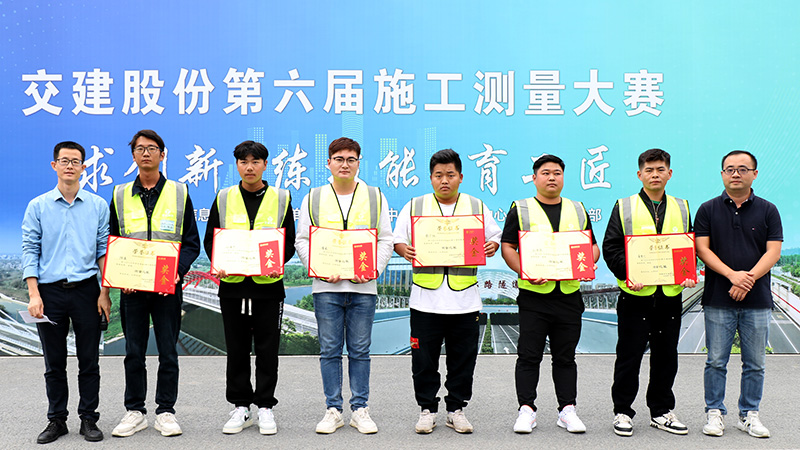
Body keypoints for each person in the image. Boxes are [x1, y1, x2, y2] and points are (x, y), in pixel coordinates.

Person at [394, 148, 501, 434]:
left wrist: (492, 245)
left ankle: (456, 409)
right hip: (425, 301)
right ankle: (427, 409)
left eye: (450, 175)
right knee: (423, 361)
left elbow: (494, 235)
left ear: (460, 177)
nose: (444, 180)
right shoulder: (415, 206)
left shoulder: (475, 205)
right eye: (438, 175)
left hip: (464, 301)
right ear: (430, 178)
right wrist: (404, 250)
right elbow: (397, 239)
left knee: (463, 360)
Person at [296, 137, 393, 434]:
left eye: (351, 159)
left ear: (358, 163)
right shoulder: (314, 197)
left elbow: (386, 239)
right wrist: (319, 268)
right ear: (329, 163)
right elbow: (302, 240)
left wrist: (373, 270)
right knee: (329, 350)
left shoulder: (375, 196)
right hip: (326, 288)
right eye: (339, 159)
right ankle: (333, 409)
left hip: (363, 288)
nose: (345, 164)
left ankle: (360, 409)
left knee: (360, 351)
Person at [108, 129, 200, 438]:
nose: (145, 153)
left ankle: (165, 411)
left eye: (152, 148)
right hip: (132, 289)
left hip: (167, 287)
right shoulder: (120, 195)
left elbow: (191, 243)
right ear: (133, 155)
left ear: (163, 154)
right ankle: (135, 411)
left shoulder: (179, 192)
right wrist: (120, 276)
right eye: (140, 148)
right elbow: (113, 241)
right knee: (133, 351)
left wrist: (178, 270)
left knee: (168, 352)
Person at [500, 155, 598, 434]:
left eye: (557, 172)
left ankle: (567, 410)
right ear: (534, 178)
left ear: (563, 177)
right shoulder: (521, 209)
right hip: (534, 296)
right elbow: (507, 247)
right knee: (529, 356)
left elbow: (591, 247)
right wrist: (526, 270)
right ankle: (526, 410)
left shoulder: (577, 209)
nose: (552, 177)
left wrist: (587, 265)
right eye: (545, 173)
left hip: (568, 296)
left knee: (565, 357)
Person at [202, 141, 296, 435]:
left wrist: (276, 262)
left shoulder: (281, 198)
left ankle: (265, 406)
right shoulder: (224, 197)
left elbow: (289, 242)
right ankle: (241, 406)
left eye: (256, 161)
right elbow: (211, 239)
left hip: (268, 287)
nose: (250, 167)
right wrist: (219, 262)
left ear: (265, 165)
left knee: (268, 349)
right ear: (237, 165)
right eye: (244, 162)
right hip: (232, 286)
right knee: (237, 348)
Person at [602, 148, 695, 437]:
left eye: (660, 169)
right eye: (649, 170)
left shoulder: (682, 207)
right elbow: (611, 248)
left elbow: (686, 247)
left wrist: (687, 272)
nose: (655, 174)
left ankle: (661, 411)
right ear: (639, 174)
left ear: (670, 173)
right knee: (629, 356)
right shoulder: (624, 206)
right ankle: (622, 411)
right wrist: (628, 274)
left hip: (669, 296)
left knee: (666, 356)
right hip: (635, 297)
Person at [22, 141, 110, 444]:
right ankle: (56, 419)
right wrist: (34, 294)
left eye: (75, 161)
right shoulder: (38, 206)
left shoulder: (97, 205)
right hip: (49, 293)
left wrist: (104, 291)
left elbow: (103, 250)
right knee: (54, 362)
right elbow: (30, 249)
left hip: (87, 290)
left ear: (84, 167)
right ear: (54, 165)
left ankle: (88, 418)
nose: (69, 166)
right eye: (64, 160)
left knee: (89, 360)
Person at [695, 150, 781, 438]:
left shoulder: (769, 210)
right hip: (718, 298)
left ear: (754, 174)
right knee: (716, 361)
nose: (735, 174)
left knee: (755, 363)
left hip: (757, 300)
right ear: (722, 174)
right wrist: (732, 276)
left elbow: (773, 252)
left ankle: (749, 414)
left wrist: (747, 279)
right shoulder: (707, 209)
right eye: (729, 169)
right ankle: (714, 412)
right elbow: (702, 249)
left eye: (743, 169)